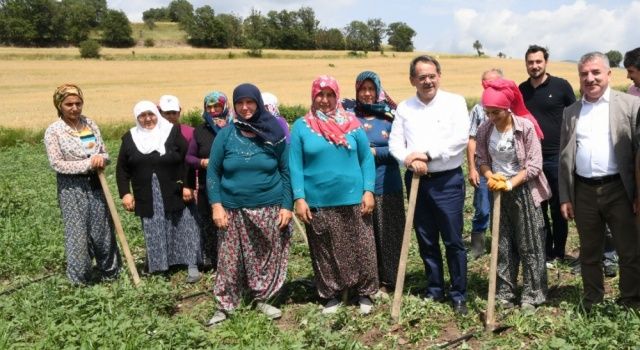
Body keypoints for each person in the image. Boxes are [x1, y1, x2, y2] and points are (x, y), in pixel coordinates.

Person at [289, 75, 378, 315]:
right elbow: (295, 165)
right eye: (320, 94)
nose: (325, 100)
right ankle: (330, 294)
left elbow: (366, 160)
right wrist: (299, 197)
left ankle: (365, 292)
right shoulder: (301, 126)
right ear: (313, 96)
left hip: (353, 196)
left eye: (330, 95)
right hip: (318, 200)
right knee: (324, 249)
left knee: (362, 246)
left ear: (337, 96)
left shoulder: (352, 123)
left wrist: (368, 190)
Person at [388, 55, 470, 315]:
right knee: (426, 239)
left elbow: (459, 139)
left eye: (432, 75)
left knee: (453, 240)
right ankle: (434, 289)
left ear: (439, 76)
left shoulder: (454, 102)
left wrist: (428, 154)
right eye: (421, 77)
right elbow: (394, 144)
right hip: (416, 181)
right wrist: (409, 160)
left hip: (447, 181)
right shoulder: (404, 108)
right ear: (412, 79)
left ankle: (459, 294)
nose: (427, 81)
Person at [559, 52, 640, 310]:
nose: (590, 78)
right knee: (590, 252)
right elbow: (564, 156)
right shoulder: (571, 112)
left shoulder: (629, 105)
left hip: (619, 189)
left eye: (595, 73)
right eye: (584, 74)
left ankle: (630, 300)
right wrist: (565, 196)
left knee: (628, 251)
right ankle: (592, 301)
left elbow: (638, 153)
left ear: (608, 74)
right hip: (583, 191)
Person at [206, 83, 292, 325]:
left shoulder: (274, 133)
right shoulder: (226, 135)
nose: (245, 107)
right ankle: (225, 304)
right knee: (229, 259)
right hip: (232, 207)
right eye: (240, 103)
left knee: (264, 254)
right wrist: (216, 205)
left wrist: (287, 205)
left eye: (250, 102)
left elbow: (285, 170)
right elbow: (212, 172)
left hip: (269, 205)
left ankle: (262, 297)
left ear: (258, 104)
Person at [476, 78, 551, 310]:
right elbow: (481, 159)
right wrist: (491, 177)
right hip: (498, 192)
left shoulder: (525, 127)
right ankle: (505, 292)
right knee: (503, 244)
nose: (492, 117)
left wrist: (510, 183)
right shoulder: (485, 129)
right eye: (488, 112)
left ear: (507, 108)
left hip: (524, 191)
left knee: (530, 244)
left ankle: (533, 294)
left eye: (496, 112)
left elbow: (534, 165)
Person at [116, 101, 201, 284]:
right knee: (153, 228)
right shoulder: (130, 138)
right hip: (147, 193)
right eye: (142, 116)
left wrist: (188, 185)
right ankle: (160, 266)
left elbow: (187, 160)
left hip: (176, 189)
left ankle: (191, 264)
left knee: (184, 224)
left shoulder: (171, 131)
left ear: (157, 114)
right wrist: (126, 193)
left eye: (151, 114)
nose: (148, 119)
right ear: (137, 118)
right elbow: (122, 169)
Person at [44, 84, 121, 285]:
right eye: (69, 104)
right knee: (77, 234)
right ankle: (80, 280)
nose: (75, 108)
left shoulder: (89, 124)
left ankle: (111, 274)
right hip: (72, 188)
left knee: (103, 231)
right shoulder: (54, 131)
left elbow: (104, 152)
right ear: (59, 105)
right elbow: (57, 163)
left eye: (78, 103)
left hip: (97, 184)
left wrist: (102, 159)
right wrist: (88, 163)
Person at [343, 70, 405, 295]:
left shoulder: (390, 117)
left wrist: (373, 152)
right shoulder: (348, 117)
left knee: (389, 233)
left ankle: (391, 281)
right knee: (364, 235)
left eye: (371, 89)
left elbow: (400, 150)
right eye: (363, 89)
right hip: (357, 187)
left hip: (387, 184)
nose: (367, 94)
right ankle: (369, 279)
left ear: (378, 90)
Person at [519, 45, 576, 267]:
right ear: (526, 64)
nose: (534, 66)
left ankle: (559, 251)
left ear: (546, 62)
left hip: (557, 156)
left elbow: (574, 117)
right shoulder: (521, 91)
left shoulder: (561, 86)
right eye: (530, 62)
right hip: (531, 160)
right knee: (537, 206)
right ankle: (545, 249)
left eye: (538, 61)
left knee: (559, 206)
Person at [157, 94, 202, 281]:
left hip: (185, 185)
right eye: (166, 113)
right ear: (158, 112)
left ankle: (192, 262)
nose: (170, 116)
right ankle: (166, 262)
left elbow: (191, 161)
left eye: (173, 112)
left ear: (179, 112)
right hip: (161, 186)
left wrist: (192, 185)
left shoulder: (189, 132)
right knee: (164, 224)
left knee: (189, 223)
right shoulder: (150, 133)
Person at [185, 91, 229, 270]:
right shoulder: (200, 131)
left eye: (216, 106)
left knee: (230, 225)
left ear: (224, 106)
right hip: (207, 186)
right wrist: (202, 162)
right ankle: (213, 262)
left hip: (231, 185)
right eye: (208, 107)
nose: (212, 110)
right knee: (210, 225)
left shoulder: (234, 128)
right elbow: (189, 157)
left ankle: (230, 263)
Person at [467, 68, 503, 259]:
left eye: (493, 82)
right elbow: (471, 139)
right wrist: (472, 168)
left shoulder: (510, 106)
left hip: (506, 167)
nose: (488, 86)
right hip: (483, 167)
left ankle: (503, 245)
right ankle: (477, 247)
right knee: (482, 207)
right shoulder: (478, 109)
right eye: (485, 83)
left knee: (506, 208)